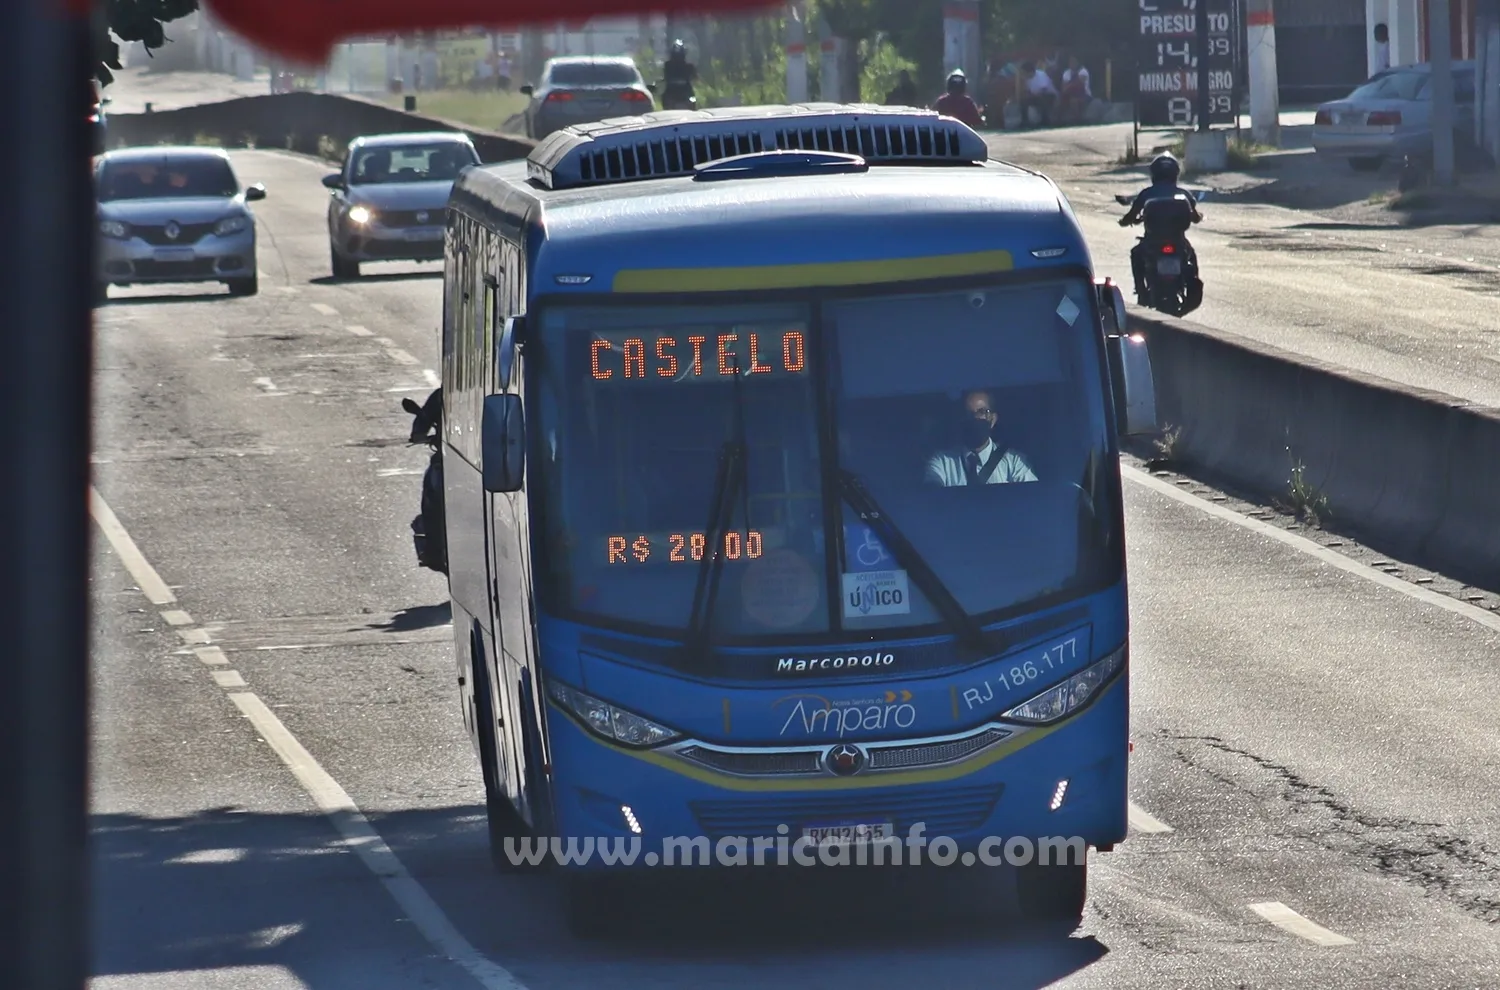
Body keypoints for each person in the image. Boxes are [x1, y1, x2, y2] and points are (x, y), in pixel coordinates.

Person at [1119, 152, 1202, 301]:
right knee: (1191, 255)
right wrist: (1197, 217)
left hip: (1153, 241)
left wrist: (1124, 222)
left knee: (1136, 254)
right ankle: (1192, 286)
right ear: (1175, 173)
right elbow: (1195, 217)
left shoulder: (1147, 193)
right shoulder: (1184, 194)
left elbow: (1131, 214)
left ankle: (1140, 289)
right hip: (1178, 241)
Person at [924, 390, 1038, 487]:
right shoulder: (942, 462)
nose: (975, 418)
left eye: (982, 412)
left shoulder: (1014, 462)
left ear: (993, 419)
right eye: (968, 413)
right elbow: (934, 496)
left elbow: (1032, 498)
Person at [1019, 61, 1058, 128]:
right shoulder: (1027, 79)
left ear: (1029, 71)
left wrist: (1032, 95)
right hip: (1035, 96)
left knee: (1042, 99)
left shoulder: (1041, 75)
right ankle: (1025, 121)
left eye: (1024, 72)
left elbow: (1043, 90)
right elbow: (1028, 91)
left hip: (1049, 95)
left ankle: (1045, 120)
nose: (1023, 74)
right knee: (1023, 101)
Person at [662, 38, 697, 108]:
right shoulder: (668, 65)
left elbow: (694, 77)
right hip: (672, 93)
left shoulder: (668, 65)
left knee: (692, 100)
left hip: (684, 93)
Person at [1059, 56, 1091, 122]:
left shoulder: (1083, 71)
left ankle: (1077, 120)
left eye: (1074, 62)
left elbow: (1079, 83)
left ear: (1077, 62)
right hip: (1069, 94)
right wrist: (1069, 86)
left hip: (1085, 95)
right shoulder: (1066, 73)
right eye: (1070, 62)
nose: (1072, 63)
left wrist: (1069, 85)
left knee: (1074, 101)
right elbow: (1064, 88)